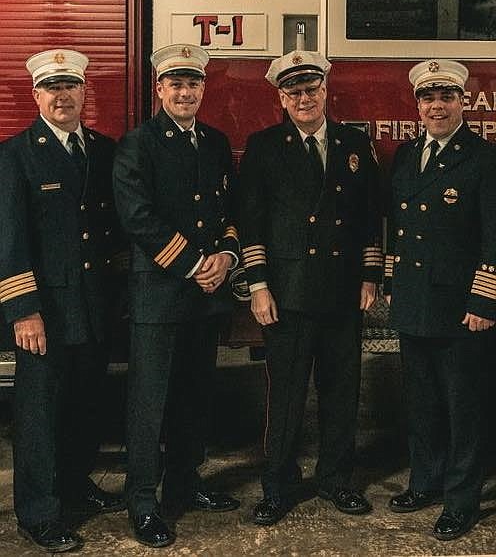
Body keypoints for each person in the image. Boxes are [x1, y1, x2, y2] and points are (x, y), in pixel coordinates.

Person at [238, 49, 383, 525]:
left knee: (342, 391)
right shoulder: (263, 147)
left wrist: (369, 275)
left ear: (326, 91)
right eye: (294, 92)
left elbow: (368, 217)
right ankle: (277, 485)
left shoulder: (354, 144)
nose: (304, 99)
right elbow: (251, 222)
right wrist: (258, 285)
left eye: (312, 90)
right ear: (281, 97)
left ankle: (337, 480)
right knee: (287, 397)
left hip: (342, 292)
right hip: (288, 293)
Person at [113, 44, 241, 548]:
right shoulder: (138, 145)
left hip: (205, 295)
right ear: (159, 89)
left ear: (203, 90)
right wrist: (194, 265)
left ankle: (186, 485)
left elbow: (229, 208)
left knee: (195, 394)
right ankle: (143, 501)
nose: (185, 92)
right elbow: (138, 218)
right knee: (150, 403)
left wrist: (226, 259)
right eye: (176, 84)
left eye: (194, 84)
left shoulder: (214, 142)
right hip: (161, 296)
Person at [0, 49, 126, 552]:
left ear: (84, 92)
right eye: (52, 88)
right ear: (36, 96)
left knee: (84, 405)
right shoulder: (15, 155)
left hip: (93, 305)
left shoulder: (100, 148)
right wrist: (23, 311)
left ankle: (75, 485)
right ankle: (38, 512)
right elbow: (10, 240)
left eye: (71, 86)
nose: (62, 96)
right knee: (39, 415)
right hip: (45, 312)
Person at [384, 59, 496, 541]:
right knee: (422, 402)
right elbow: (397, 229)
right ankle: (424, 483)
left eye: (447, 97)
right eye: (428, 98)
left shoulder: (484, 158)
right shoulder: (407, 157)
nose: (437, 106)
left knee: (463, 406)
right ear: (417, 105)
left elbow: (494, 236)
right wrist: (392, 286)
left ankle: (461, 499)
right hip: (414, 301)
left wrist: (485, 300)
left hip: (460, 308)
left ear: (462, 102)